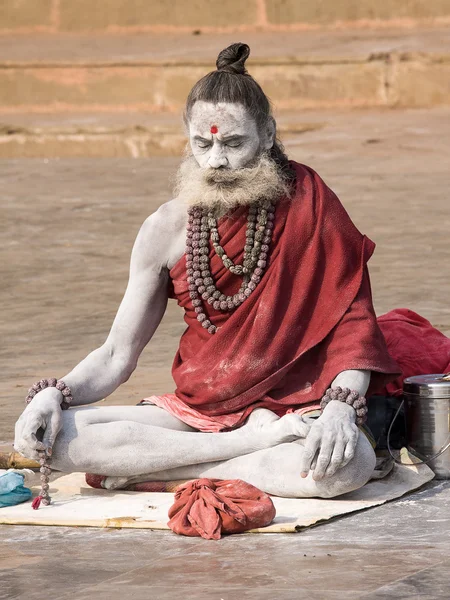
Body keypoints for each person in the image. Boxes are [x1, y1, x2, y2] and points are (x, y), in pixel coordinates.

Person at [14, 43, 399, 499]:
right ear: (188, 140)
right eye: (203, 143)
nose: (216, 160)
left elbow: (353, 330)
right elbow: (117, 354)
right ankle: (242, 450)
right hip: (199, 413)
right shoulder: (165, 228)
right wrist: (53, 395)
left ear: (269, 133)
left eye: (234, 143)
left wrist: (339, 409)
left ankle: (163, 468)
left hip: (297, 408)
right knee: (48, 436)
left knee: (348, 465)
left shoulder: (312, 204)